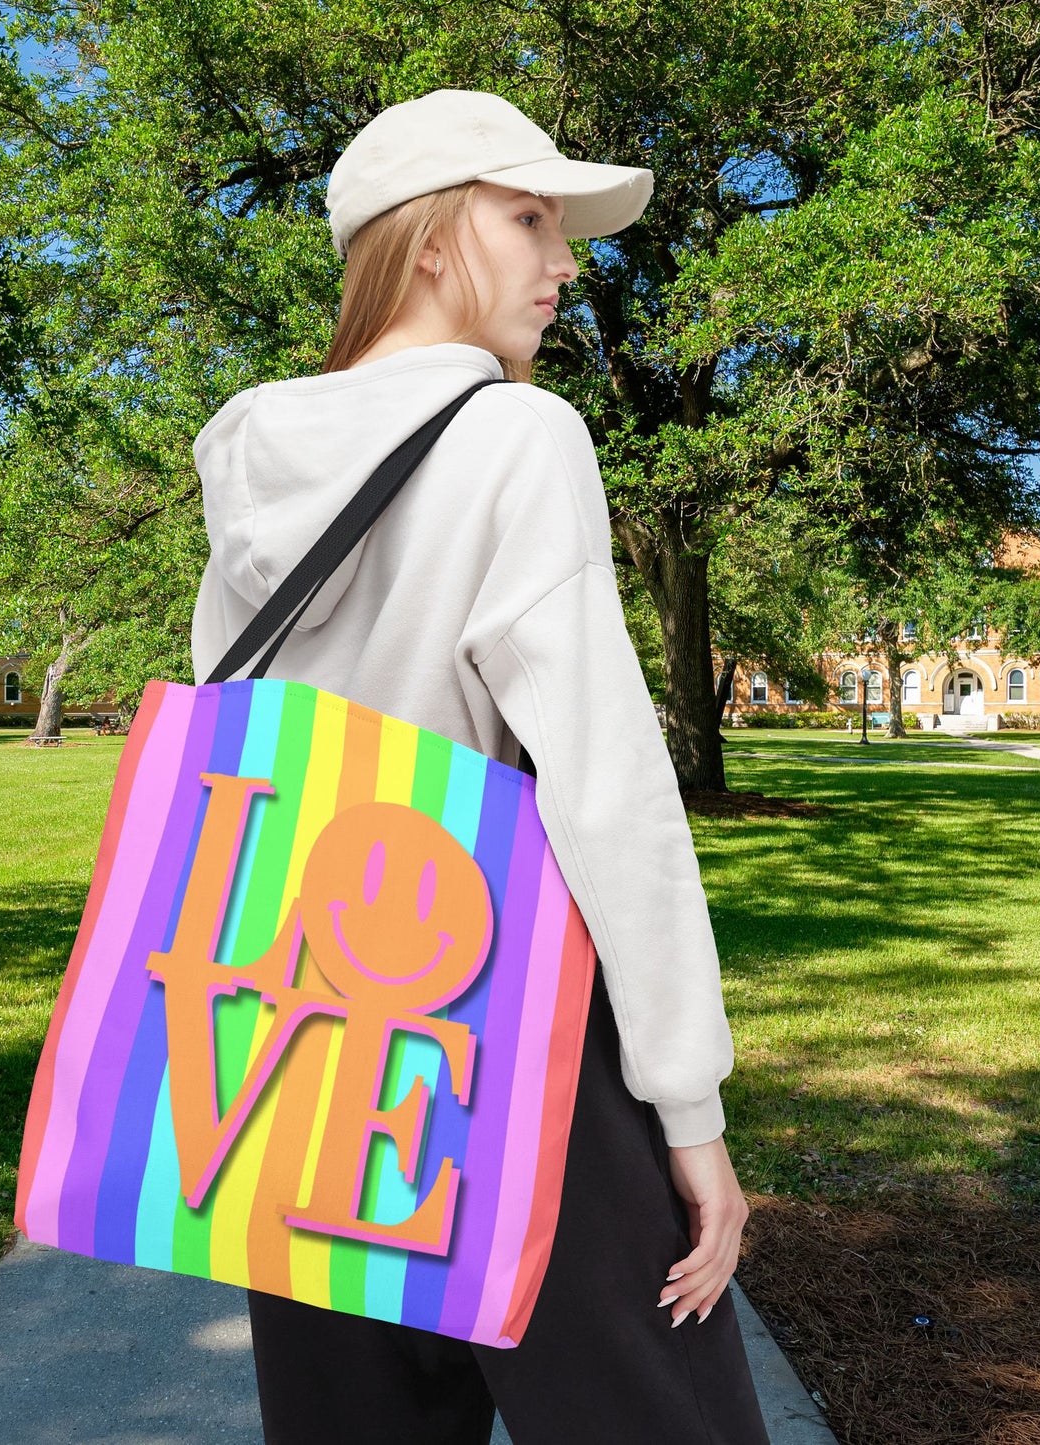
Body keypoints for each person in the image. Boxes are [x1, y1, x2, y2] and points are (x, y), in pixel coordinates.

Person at [190, 90, 767, 1445]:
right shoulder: (518, 434)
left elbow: (240, 737)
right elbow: (605, 783)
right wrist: (688, 1106)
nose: (565, 262)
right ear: (432, 239)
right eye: (528, 218)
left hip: (296, 1029)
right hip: (504, 1017)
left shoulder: (246, 456)